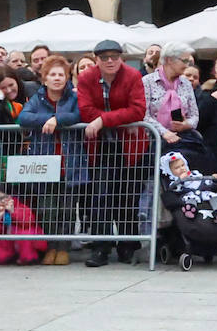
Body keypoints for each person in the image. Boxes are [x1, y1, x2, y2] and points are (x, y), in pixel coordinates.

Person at [77, 39, 149, 266]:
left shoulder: (133, 76)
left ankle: (128, 246)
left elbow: (138, 110)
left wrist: (102, 119)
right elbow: (85, 109)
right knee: (100, 196)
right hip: (100, 146)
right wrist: (107, 119)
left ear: (121, 58)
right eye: (104, 57)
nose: (110, 61)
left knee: (128, 196)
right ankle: (101, 248)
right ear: (96, 59)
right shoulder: (86, 77)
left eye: (114, 56)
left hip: (130, 146)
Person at [18, 55, 82, 265]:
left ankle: (63, 248)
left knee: (67, 208)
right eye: (52, 74)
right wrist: (47, 119)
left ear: (66, 77)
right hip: (44, 165)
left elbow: (78, 115)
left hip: (69, 163)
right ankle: (51, 246)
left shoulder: (73, 97)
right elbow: (24, 118)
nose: (56, 78)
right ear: (44, 79)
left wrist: (58, 119)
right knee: (47, 209)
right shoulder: (37, 98)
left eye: (60, 74)